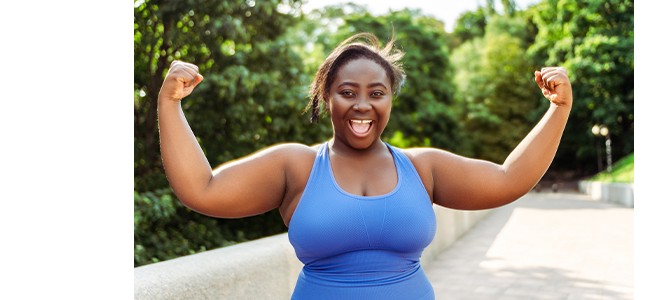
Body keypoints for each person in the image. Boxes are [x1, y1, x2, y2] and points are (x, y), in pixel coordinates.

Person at [157, 32, 572, 300]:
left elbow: (509, 179)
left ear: (390, 99)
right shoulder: (296, 166)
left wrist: (559, 109)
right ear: (327, 97)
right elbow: (201, 190)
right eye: (347, 91)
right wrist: (170, 103)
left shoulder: (423, 168)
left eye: (376, 92)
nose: (362, 104)